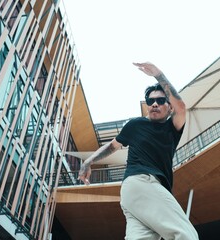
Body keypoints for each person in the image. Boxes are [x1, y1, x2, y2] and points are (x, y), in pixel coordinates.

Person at [78, 62, 199, 240]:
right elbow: (112, 146)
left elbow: (181, 107)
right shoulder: (135, 125)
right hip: (141, 181)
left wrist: (158, 74)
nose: (155, 104)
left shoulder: (172, 128)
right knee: (186, 235)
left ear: (169, 106)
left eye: (160, 100)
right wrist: (89, 161)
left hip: (134, 194)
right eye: (150, 101)